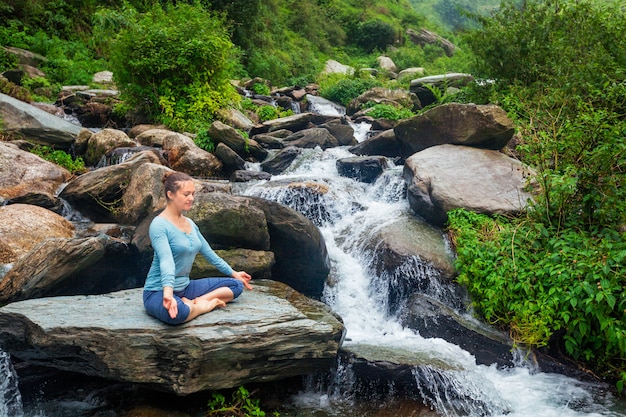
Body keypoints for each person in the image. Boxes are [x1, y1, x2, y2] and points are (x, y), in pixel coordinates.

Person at [143, 171, 252, 325]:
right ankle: (205, 306)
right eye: (186, 194)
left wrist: (234, 273)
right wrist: (168, 294)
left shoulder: (190, 224)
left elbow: (209, 254)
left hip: (186, 288)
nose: (191, 198)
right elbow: (166, 261)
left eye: (193, 194)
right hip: (158, 291)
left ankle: (195, 302)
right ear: (171, 194)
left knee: (236, 286)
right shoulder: (159, 225)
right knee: (177, 314)